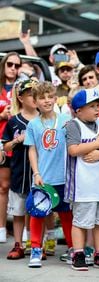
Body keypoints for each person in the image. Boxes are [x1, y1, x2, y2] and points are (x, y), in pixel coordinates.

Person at [65, 88, 99, 271]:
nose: (97, 109)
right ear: (79, 110)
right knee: (81, 221)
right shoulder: (73, 125)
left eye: (97, 106)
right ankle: (78, 253)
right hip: (82, 184)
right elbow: (73, 150)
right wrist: (96, 144)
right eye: (92, 106)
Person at [24, 81, 73, 268]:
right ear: (35, 102)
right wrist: (36, 172)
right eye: (41, 98)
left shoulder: (65, 119)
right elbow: (32, 150)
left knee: (66, 214)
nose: (46, 101)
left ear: (55, 98)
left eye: (49, 97)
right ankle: (36, 248)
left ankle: (72, 248)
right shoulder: (33, 124)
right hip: (43, 177)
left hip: (64, 176)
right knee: (37, 214)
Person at [4, 79, 38, 259]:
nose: (34, 97)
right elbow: (5, 147)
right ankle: (18, 244)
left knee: (39, 210)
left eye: (36, 93)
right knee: (18, 212)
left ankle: (37, 244)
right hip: (19, 172)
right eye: (30, 93)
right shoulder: (13, 121)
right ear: (21, 97)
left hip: (40, 172)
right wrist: (18, 139)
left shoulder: (44, 118)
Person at [0, 52, 20, 243]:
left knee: (15, 187)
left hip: (18, 143)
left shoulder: (21, 88)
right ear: (4, 66)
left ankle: (22, 231)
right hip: (1, 142)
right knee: (3, 187)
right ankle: (1, 228)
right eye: (10, 64)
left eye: (17, 65)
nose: (13, 68)